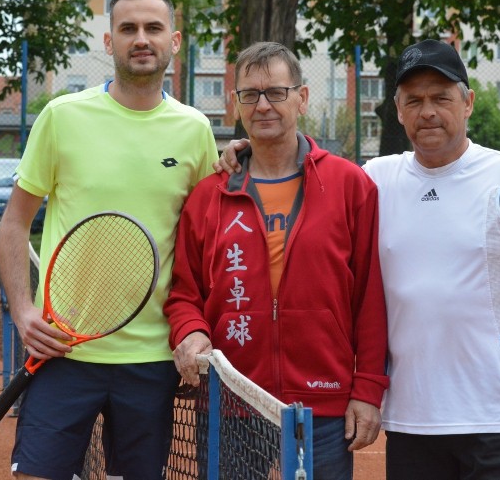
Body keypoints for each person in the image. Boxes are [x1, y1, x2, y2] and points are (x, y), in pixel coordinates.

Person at [217, 39, 500, 480]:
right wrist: (245, 150)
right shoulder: (375, 179)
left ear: (468, 103)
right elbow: (300, 168)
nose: (428, 111)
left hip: (497, 418)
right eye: (414, 100)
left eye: (441, 97)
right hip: (409, 424)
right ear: (398, 110)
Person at [0, 0, 218, 480]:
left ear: (175, 41)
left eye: (153, 28)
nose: (142, 39)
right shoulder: (62, 116)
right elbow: (14, 222)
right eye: (128, 28)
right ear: (109, 41)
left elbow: (203, 241)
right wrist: (22, 310)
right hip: (61, 350)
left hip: (152, 359)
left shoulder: (195, 129)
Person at [164, 41, 389, 479]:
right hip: (230, 400)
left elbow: (370, 299)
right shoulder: (209, 194)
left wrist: (367, 390)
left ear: (302, 98)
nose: (263, 105)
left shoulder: (350, 185)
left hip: (320, 406)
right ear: (236, 104)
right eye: (250, 94)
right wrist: (190, 332)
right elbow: (184, 294)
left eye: (276, 92)